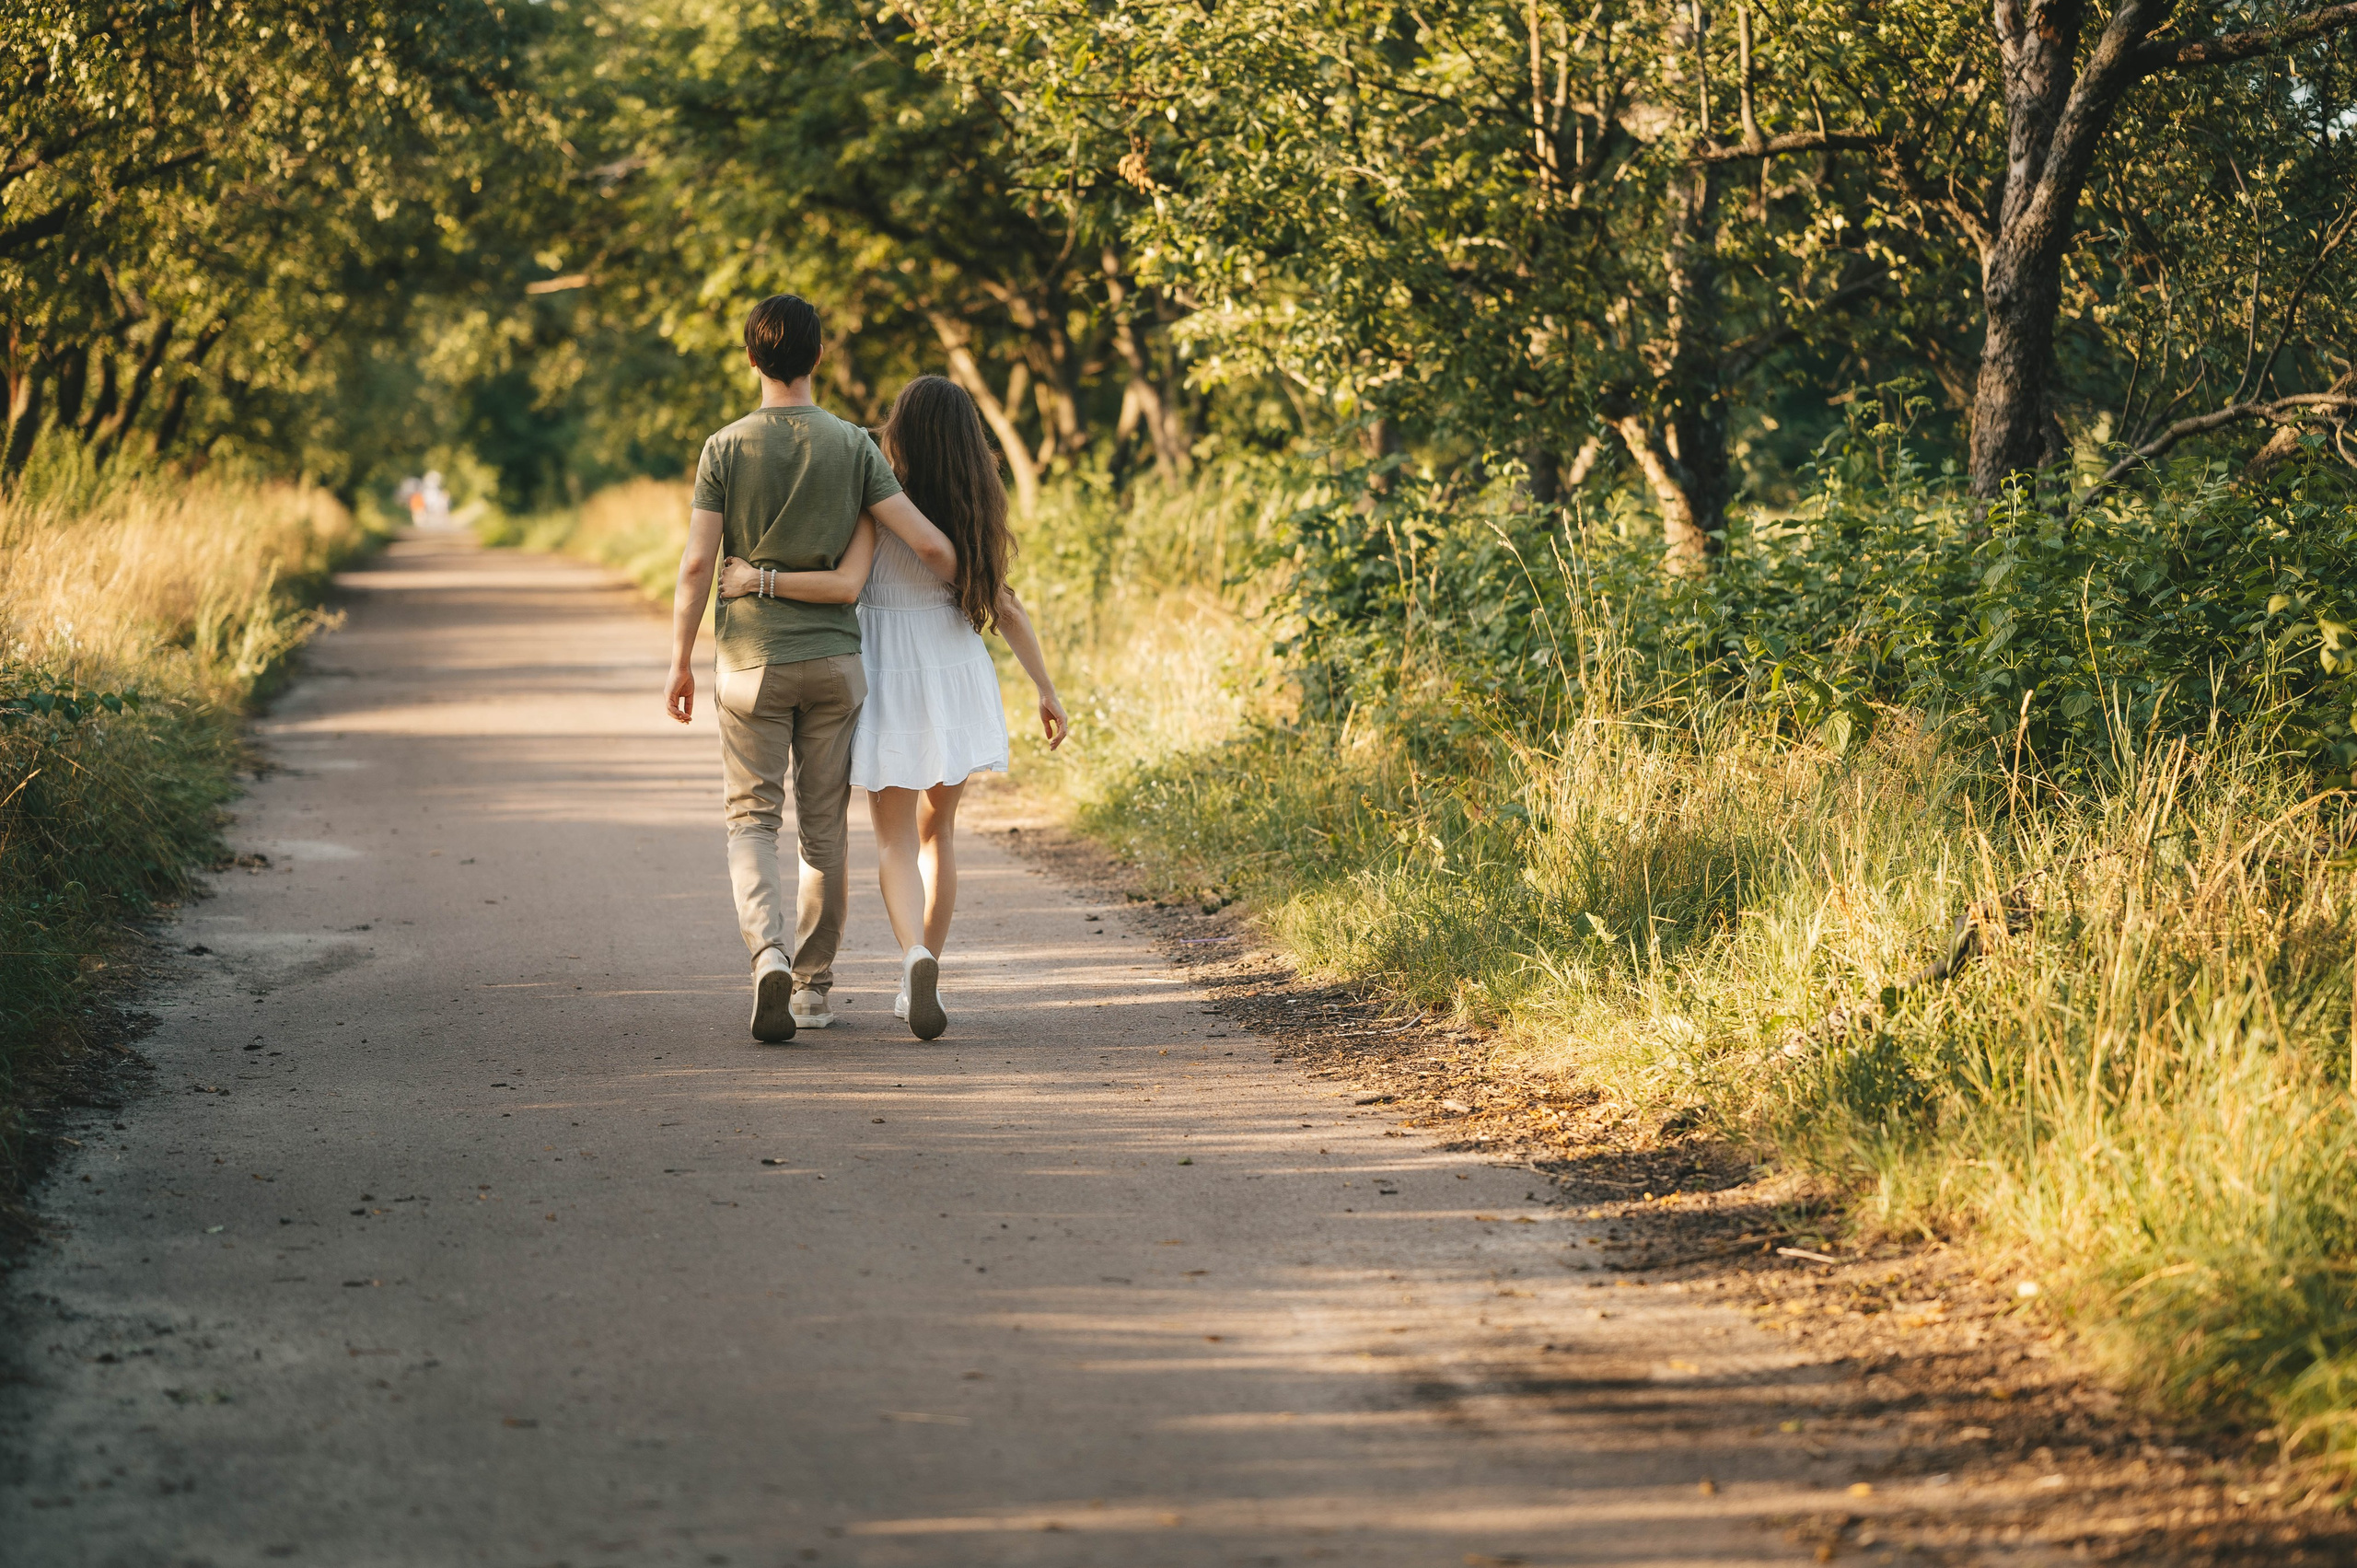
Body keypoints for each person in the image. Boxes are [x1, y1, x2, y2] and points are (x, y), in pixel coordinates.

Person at [715, 376, 1069, 1040]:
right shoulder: (973, 510)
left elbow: (847, 583)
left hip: (889, 671)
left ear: (899, 432)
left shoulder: (875, 498)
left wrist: (759, 580)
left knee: (894, 838)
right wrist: (1046, 689)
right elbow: (1007, 604)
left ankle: (912, 953)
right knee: (941, 834)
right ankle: (923, 969)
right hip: (955, 671)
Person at [665, 296, 959, 1044]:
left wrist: (680, 660)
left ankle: (768, 952)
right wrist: (983, 577)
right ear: (818, 356)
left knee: (752, 820)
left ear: (750, 357)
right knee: (824, 833)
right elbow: (926, 543)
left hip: (750, 662)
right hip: (834, 663)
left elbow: (698, 563)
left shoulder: (723, 447)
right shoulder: (854, 445)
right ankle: (811, 990)